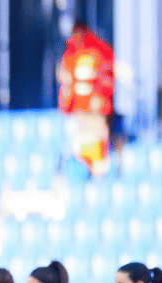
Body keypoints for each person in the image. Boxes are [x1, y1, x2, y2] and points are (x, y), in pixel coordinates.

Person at [58, 21, 115, 176]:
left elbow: (107, 75)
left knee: (98, 149)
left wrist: (100, 100)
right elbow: (66, 84)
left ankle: (100, 175)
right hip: (80, 113)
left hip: (95, 112)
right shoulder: (70, 56)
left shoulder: (98, 51)